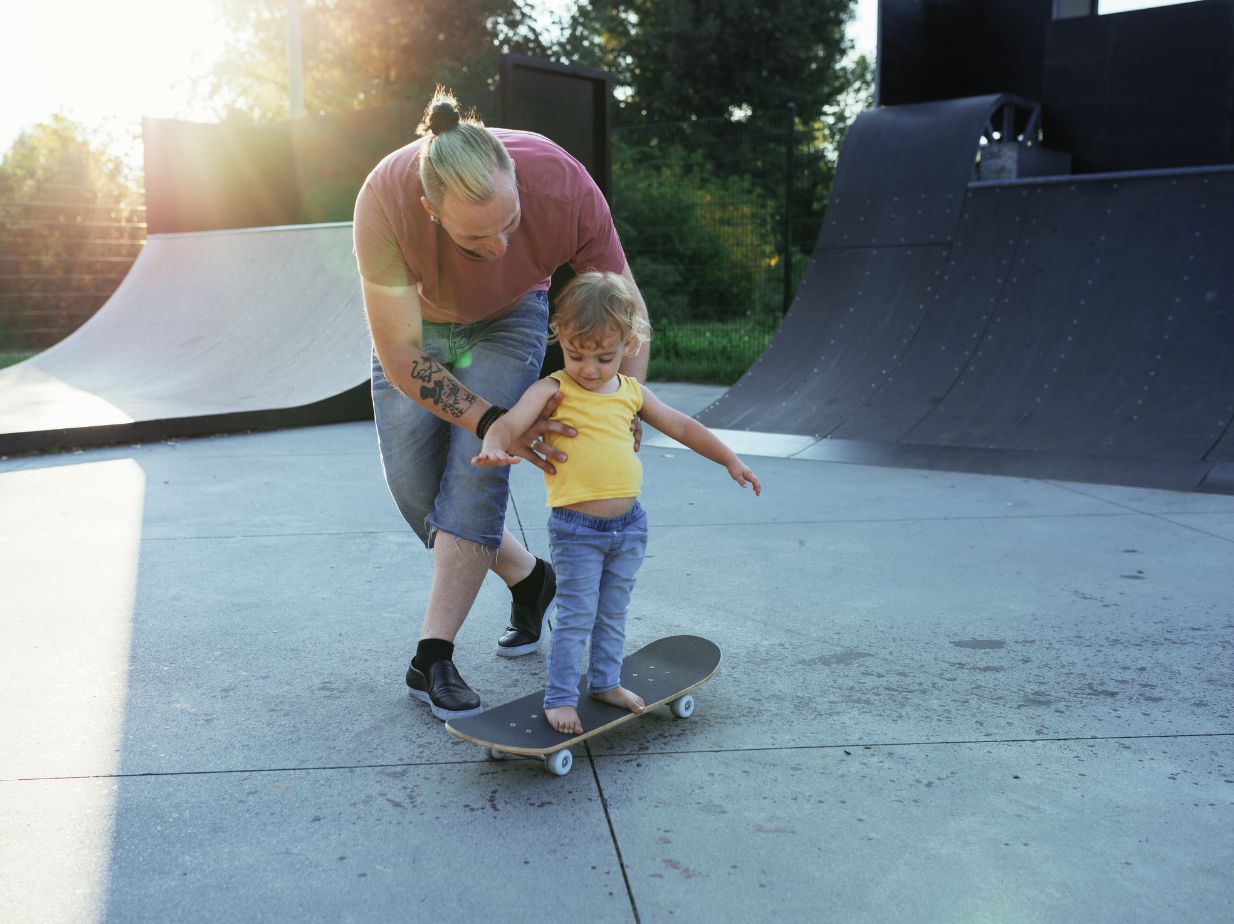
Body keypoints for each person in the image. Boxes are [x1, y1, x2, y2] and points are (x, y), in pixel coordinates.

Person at [352, 89, 651, 721]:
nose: (500, 247)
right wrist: (498, 421)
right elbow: (405, 359)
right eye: (475, 239)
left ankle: (431, 656)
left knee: (475, 476)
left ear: (518, 182)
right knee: (416, 495)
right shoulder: (385, 199)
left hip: (512, 319)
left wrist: (622, 411)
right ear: (431, 209)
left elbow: (630, 313)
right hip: (420, 333)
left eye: (511, 225)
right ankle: (529, 578)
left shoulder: (562, 185)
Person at [472, 271, 762, 734]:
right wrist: (493, 443)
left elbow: (683, 427)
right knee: (576, 615)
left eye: (604, 357)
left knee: (613, 611)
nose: (589, 368)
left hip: (629, 528)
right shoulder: (553, 389)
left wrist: (730, 460)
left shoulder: (631, 393)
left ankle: (606, 681)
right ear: (560, 339)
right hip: (577, 532)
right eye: (576, 354)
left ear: (628, 344)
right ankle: (561, 697)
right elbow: (510, 422)